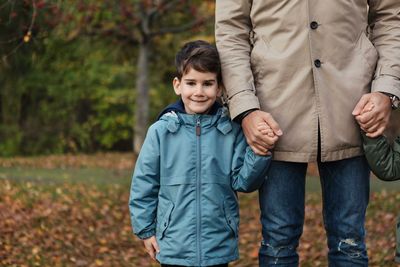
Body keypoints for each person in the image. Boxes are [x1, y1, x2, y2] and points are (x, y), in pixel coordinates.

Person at [215, 1, 400, 266]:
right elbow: (231, 31)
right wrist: (244, 108)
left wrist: (386, 89)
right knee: (278, 241)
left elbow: (391, 17)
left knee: (349, 242)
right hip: (273, 115)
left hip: (354, 108)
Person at [129, 40, 272, 267]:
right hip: (173, 244)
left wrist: (260, 153)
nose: (198, 91)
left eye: (207, 84)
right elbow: (144, 184)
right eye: (191, 83)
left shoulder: (230, 131)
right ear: (178, 85)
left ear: (219, 88)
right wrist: (145, 231)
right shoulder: (160, 132)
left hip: (217, 244)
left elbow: (243, 182)